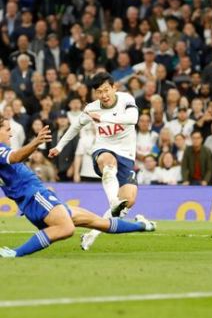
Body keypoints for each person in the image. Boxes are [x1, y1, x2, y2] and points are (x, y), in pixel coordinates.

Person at [0, 117, 155, 258]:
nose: (11, 134)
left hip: (38, 196)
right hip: (34, 196)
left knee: (99, 222)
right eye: (7, 129)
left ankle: (143, 225)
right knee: (66, 228)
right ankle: (16, 253)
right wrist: (36, 142)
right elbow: (15, 157)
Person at [49, 72, 140, 251]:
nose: (104, 95)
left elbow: (133, 119)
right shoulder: (92, 108)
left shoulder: (126, 99)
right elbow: (75, 126)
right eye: (99, 92)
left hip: (127, 155)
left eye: (106, 90)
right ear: (94, 94)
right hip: (103, 149)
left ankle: (91, 234)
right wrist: (59, 147)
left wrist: (103, 118)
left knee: (128, 201)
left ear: (114, 88)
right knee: (108, 162)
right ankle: (113, 200)